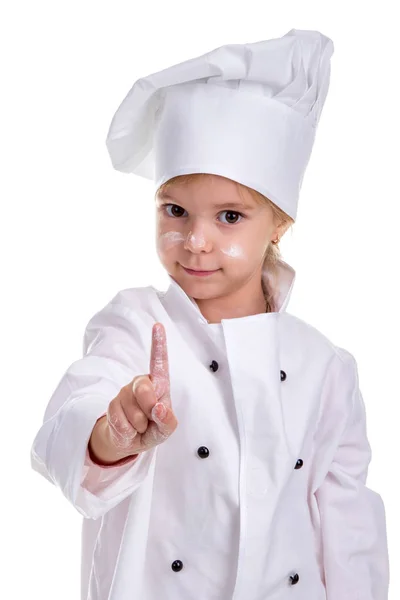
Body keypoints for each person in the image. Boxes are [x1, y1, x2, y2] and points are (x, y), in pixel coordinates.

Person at [30, 28, 390, 600]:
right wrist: (114, 432)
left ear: (279, 223)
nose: (195, 240)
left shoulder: (324, 367)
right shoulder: (136, 324)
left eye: (229, 217)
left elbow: (350, 529)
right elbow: (66, 426)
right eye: (175, 210)